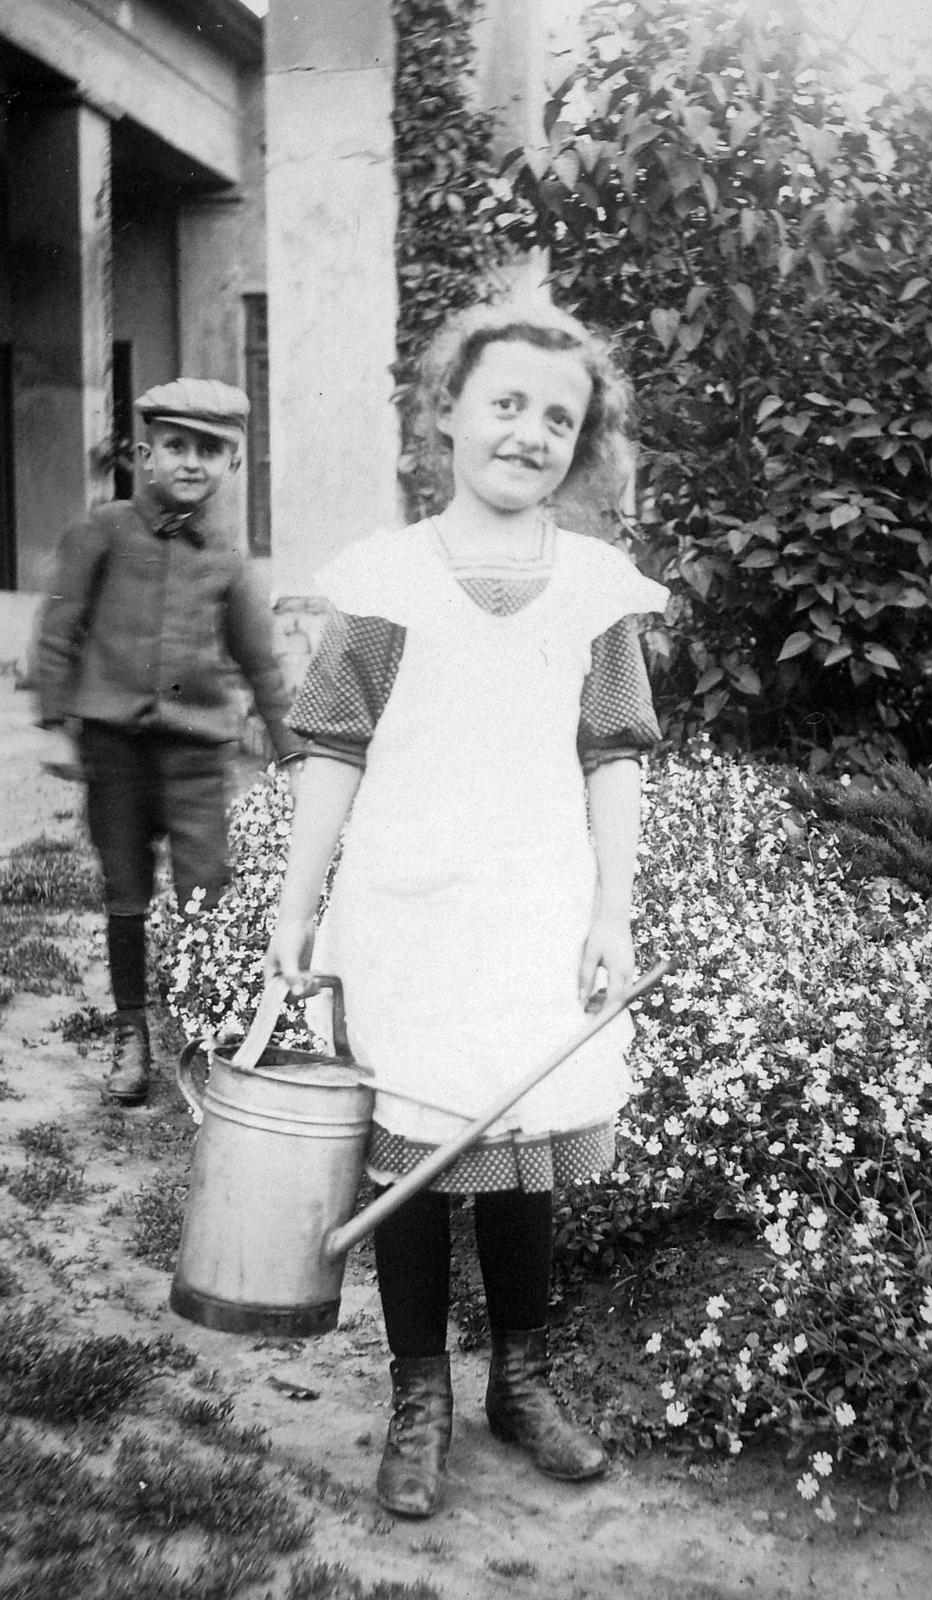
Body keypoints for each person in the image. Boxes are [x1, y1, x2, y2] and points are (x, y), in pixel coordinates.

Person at [265, 294, 670, 1518]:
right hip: (405, 914)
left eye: (558, 418)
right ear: (446, 412)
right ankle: (419, 1393)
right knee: (414, 1156)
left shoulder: (593, 589)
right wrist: (294, 909)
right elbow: (333, 751)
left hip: (534, 910)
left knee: (517, 1142)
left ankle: (521, 1382)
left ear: (581, 444)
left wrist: (612, 912)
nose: (528, 432)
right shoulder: (384, 580)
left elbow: (613, 755)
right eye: (505, 403)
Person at [35, 378, 305, 1107]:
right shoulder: (102, 530)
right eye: (176, 446)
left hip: (196, 756)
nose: (191, 462)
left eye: (210, 451)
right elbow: (58, 629)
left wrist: (291, 755)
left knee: (204, 894)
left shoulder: (229, 559)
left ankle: (205, 1032)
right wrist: (56, 722)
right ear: (145, 454)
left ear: (233, 464)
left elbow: (261, 664)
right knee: (125, 891)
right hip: (114, 749)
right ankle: (131, 1034)